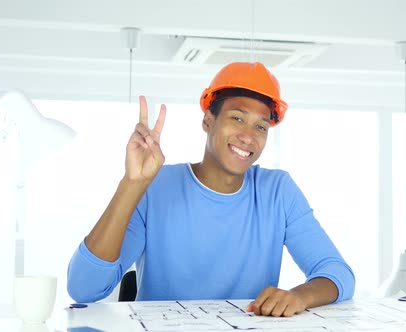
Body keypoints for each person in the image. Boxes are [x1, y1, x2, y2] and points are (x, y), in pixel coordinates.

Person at [67, 61, 355, 317]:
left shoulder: (278, 191)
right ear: (208, 121)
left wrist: (298, 296)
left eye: (261, 127)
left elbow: (338, 274)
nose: (248, 137)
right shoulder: (156, 187)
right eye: (237, 118)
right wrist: (132, 184)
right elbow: (84, 288)